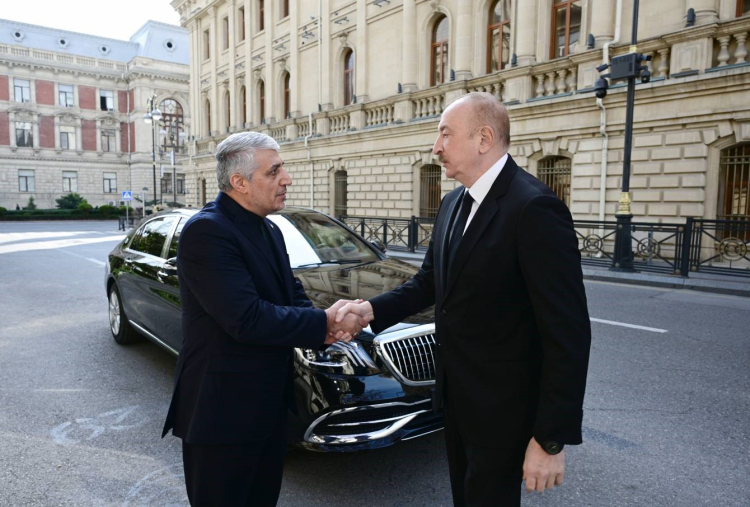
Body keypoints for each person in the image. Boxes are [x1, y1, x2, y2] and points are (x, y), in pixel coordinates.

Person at [336, 92, 591, 506]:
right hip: (454, 399)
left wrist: (550, 439)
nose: (436, 147)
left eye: (445, 134)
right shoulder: (453, 201)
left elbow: (568, 333)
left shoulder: (534, 208)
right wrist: (368, 310)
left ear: (483, 139)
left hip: (504, 412)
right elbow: (429, 283)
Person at [162, 132, 367, 506]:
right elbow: (246, 318)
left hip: (267, 408)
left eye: (282, 169)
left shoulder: (270, 227)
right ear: (239, 182)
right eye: (274, 171)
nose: (286, 178)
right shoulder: (207, 231)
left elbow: (291, 295)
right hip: (222, 415)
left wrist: (329, 322)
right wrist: (325, 323)